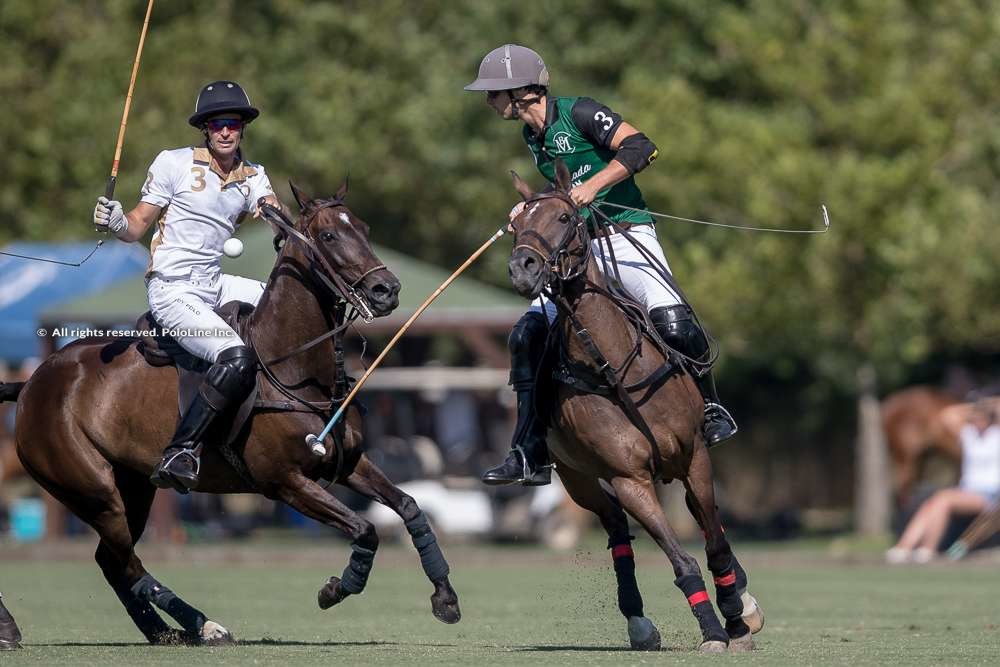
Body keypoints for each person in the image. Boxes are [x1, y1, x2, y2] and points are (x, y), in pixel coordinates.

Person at [464, 44, 737, 486]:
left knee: (674, 320)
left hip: (626, 234)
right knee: (526, 336)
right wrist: (530, 208)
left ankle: (710, 408)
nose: (488, 101)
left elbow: (641, 147)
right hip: (576, 252)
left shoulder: (581, 112)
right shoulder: (531, 136)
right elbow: (559, 194)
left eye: (493, 92)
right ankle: (530, 448)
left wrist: (594, 185)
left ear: (522, 92)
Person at [93, 81, 280, 493]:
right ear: (206, 130)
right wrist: (116, 221)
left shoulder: (254, 177)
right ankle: (182, 449)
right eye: (217, 125)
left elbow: (274, 214)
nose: (225, 132)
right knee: (234, 356)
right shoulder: (174, 164)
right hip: (172, 290)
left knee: (286, 305)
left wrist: (287, 225)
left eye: (233, 123)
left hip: (215, 284)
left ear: (243, 127)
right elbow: (137, 225)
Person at [886, 400, 1000, 563]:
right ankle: (904, 547)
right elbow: (948, 415)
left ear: (989, 420)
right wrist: (976, 406)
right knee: (930, 504)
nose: (977, 422)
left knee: (942, 501)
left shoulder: (996, 436)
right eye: (974, 418)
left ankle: (927, 549)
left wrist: (991, 406)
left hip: (990, 496)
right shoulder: (969, 435)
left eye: (981, 418)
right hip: (967, 491)